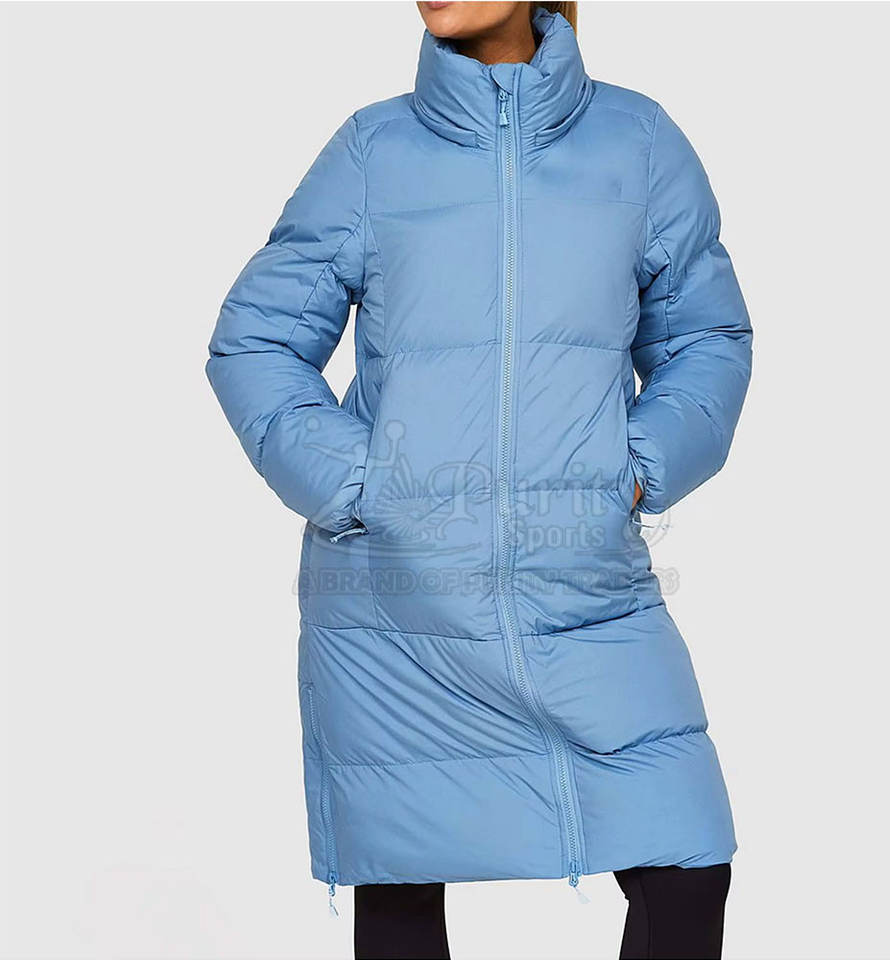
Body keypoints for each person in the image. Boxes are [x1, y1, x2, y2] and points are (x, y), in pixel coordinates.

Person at [206, 3, 752, 957]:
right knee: (403, 888)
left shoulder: (640, 142)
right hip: (398, 611)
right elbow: (254, 342)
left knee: (688, 860)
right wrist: (365, 488)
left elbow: (705, 337)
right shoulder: (373, 150)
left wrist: (633, 470)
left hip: (588, 595)